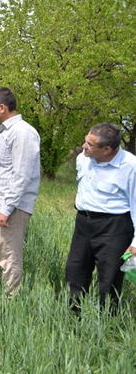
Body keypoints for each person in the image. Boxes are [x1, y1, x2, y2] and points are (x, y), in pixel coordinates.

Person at [65, 123, 136, 314]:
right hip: (83, 222)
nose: (83, 146)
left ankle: (107, 321)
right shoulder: (84, 158)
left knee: (109, 277)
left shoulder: (130, 167)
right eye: (86, 140)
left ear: (107, 149)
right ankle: (73, 317)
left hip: (114, 226)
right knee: (75, 270)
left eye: (90, 144)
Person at [0, 87, 40, 297]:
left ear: (2, 107)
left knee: (8, 256)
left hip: (9, 208)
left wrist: (6, 209)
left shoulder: (23, 133)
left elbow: (21, 174)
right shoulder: (4, 133)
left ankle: (10, 299)